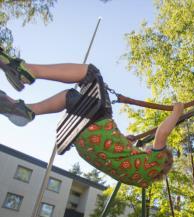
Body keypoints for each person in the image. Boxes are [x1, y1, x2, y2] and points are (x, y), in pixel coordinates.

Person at [0, 48, 184, 188]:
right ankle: (26, 110)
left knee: (90, 73)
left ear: (163, 162)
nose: (150, 149)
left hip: (97, 130)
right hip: (85, 145)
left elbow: (162, 134)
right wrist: (127, 143)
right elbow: (119, 158)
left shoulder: (159, 161)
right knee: (71, 98)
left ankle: (27, 71)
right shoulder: (140, 179)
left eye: (152, 150)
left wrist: (177, 112)